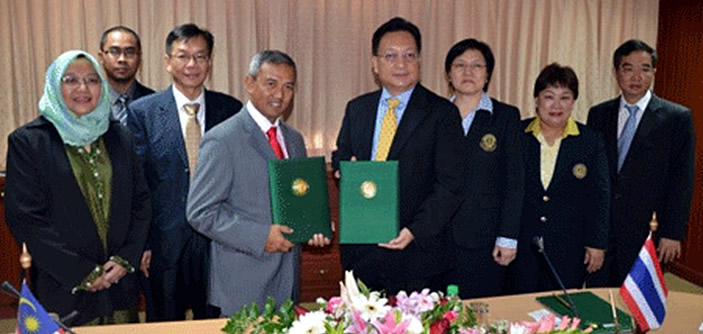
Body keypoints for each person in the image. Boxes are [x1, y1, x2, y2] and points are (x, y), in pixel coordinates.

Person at [4, 50, 150, 325]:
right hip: (63, 285)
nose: (82, 89)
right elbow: (25, 218)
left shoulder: (119, 136)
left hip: (120, 282)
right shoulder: (29, 142)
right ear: (55, 86)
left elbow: (140, 203)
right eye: (70, 80)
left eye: (92, 80)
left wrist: (126, 259)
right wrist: (81, 272)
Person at [187, 50, 330, 316]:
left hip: (287, 282)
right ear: (249, 83)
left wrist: (314, 226)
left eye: (288, 87)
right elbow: (200, 213)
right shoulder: (223, 140)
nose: (280, 95)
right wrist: (260, 236)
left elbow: (297, 201)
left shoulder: (294, 139)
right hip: (243, 284)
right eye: (271, 84)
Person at [332, 17, 465, 295]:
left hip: (417, 254)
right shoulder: (357, 109)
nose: (401, 64)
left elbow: (451, 185)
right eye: (390, 56)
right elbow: (342, 153)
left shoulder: (442, 113)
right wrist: (342, 169)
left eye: (409, 55)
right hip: (362, 251)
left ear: (419, 60)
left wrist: (414, 231)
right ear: (375, 63)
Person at [127, 23, 242, 321]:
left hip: (220, 243)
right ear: (168, 61)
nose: (192, 64)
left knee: (217, 321)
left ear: (210, 62)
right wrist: (143, 244)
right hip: (164, 246)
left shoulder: (230, 110)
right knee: (164, 322)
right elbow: (137, 185)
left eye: (200, 56)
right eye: (183, 56)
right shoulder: (143, 112)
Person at [587, 40, 696, 287]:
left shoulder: (676, 118)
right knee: (599, 298)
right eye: (628, 68)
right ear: (616, 72)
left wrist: (673, 233)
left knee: (639, 305)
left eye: (645, 69)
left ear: (654, 72)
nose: (636, 76)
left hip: (649, 232)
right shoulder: (598, 114)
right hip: (603, 231)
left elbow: (682, 180)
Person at [509, 63, 609, 293]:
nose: (556, 105)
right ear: (536, 99)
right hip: (521, 247)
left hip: (569, 249)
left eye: (565, 97)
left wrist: (597, 244)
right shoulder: (517, 134)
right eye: (549, 96)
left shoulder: (590, 141)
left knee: (562, 317)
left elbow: (600, 196)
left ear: (574, 101)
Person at [442, 39, 524, 298]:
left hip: (485, 239)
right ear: (448, 74)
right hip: (437, 236)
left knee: (480, 313)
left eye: (477, 66)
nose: (468, 72)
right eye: (460, 65)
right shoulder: (435, 114)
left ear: (488, 74)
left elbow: (515, 180)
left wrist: (508, 237)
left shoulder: (505, 116)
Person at [98, 26, 154, 126]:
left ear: (139, 58)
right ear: (101, 57)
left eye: (129, 52)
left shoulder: (154, 103)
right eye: (114, 51)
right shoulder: (90, 101)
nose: (122, 59)